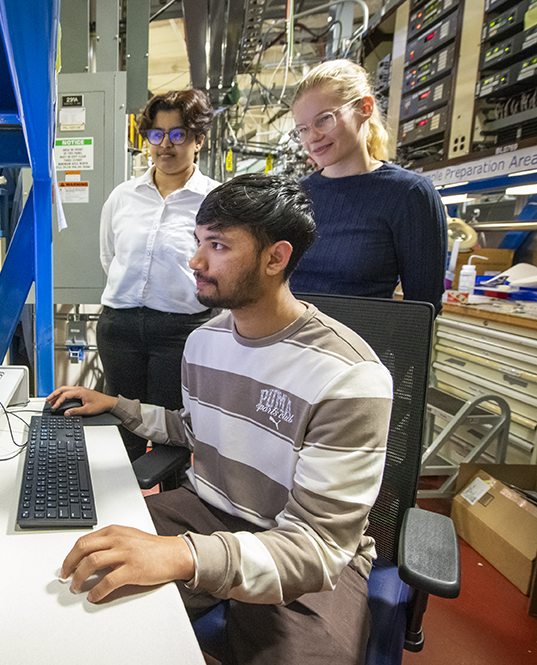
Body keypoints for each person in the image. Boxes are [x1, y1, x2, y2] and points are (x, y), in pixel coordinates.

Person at [50, 174, 393, 665]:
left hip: (297, 549)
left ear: (276, 258)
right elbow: (197, 429)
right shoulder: (204, 341)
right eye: (197, 242)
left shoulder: (349, 377)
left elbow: (318, 549)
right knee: (74, 590)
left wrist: (186, 556)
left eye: (217, 245)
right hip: (205, 511)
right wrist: (119, 406)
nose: (195, 261)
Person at [97, 88, 221, 461]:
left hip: (179, 333)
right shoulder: (123, 196)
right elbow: (110, 256)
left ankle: (167, 513)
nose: (165, 144)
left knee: (172, 432)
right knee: (121, 429)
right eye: (156, 134)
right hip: (119, 328)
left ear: (198, 139)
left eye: (178, 134)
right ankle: (115, 506)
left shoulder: (215, 200)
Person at [288, 59, 447, 313]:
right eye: (302, 129)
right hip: (291, 347)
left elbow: (423, 309)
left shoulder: (409, 194)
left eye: (324, 120)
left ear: (365, 107)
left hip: (360, 349)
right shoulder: (295, 195)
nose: (313, 138)